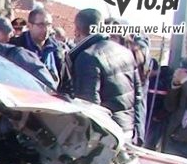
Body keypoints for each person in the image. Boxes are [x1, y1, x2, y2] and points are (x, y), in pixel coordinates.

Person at [61, 8, 142, 139]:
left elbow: (89, 107)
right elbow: (138, 95)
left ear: (77, 31)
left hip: (107, 135)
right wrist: (137, 132)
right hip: (127, 128)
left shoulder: (87, 57)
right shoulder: (125, 52)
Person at [161, 26, 187, 158]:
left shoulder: (185, 76)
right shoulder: (184, 67)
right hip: (175, 139)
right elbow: (170, 106)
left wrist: (186, 81)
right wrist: (175, 86)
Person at [11, 8, 64, 83]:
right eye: (41, 25)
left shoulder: (57, 50)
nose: (46, 29)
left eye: (48, 25)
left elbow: (65, 81)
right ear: (29, 26)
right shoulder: (15, 47)